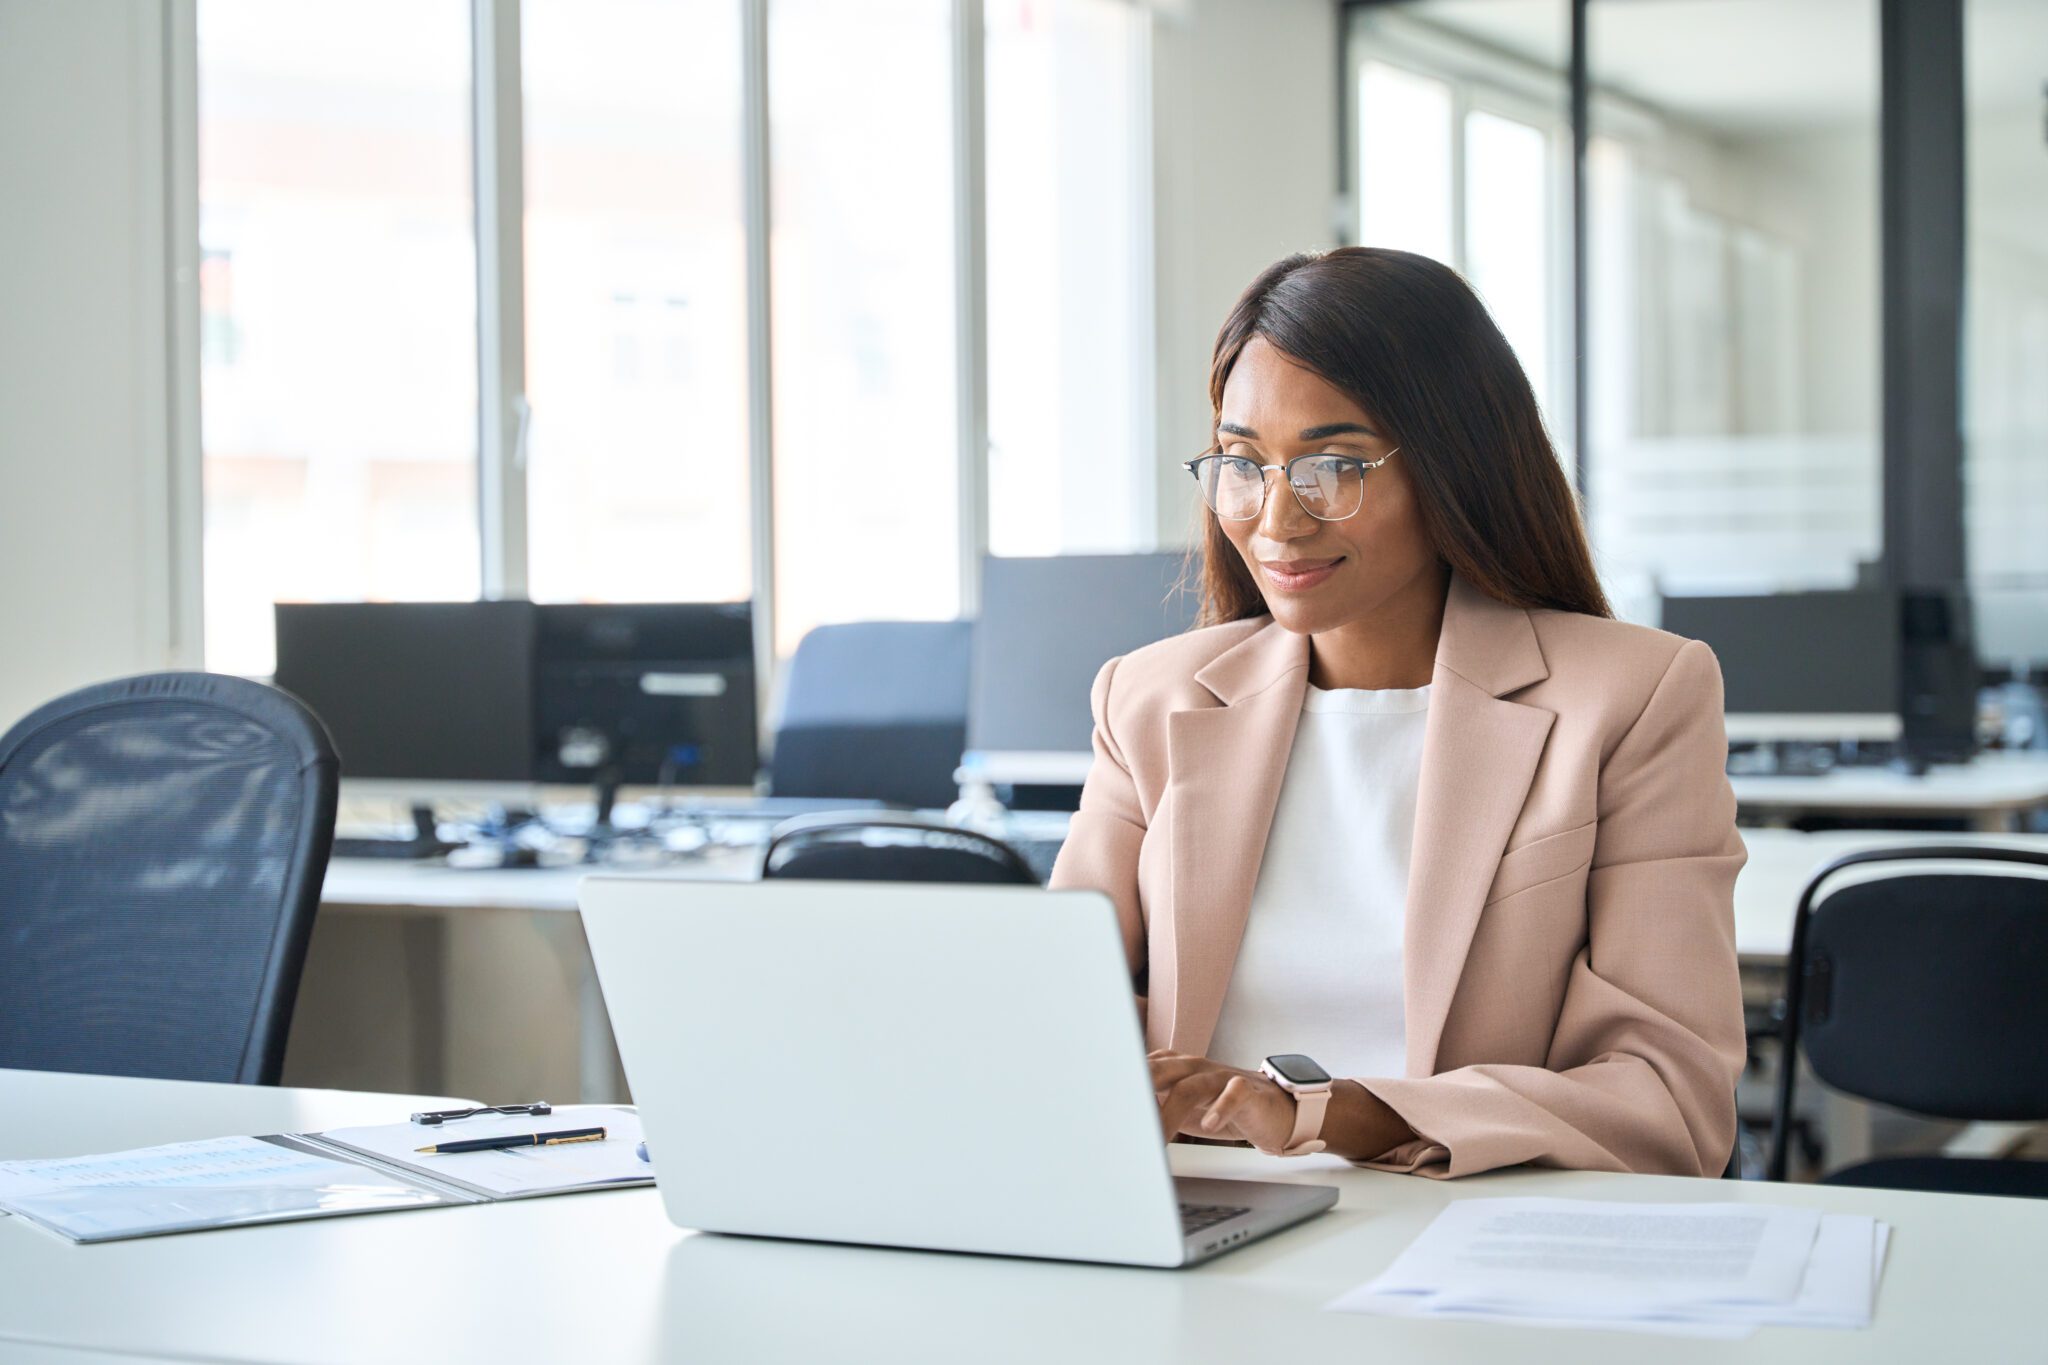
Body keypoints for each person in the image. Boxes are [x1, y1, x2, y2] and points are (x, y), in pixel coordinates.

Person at [1048, 247, 1745, 1178]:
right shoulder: (1148, 698)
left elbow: (1671, 1100)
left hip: (1469, 1241)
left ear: (1454, 463)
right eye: (1244, 464)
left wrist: (1327, 1115)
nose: (1277, 520)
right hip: (1200, 1228)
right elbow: (1052, 1020)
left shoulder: (1631, 698)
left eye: (1334, 465)